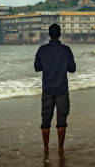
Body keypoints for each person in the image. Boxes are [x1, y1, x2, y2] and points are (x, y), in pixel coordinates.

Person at [34, 23, 76, 153]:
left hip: (47, 90)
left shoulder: (42, 49)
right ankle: (60, 148)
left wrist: (47, 64)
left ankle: (46, 148)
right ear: (60, 34)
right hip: (62, 90)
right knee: (61, 122)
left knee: (45, 121)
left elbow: (37, 68)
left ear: (49, 35)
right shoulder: (66, 50)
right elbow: (72, 69)